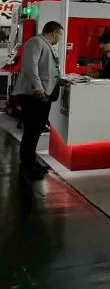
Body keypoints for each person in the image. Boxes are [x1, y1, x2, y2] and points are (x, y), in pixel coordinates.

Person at [13, 21, 63, 180]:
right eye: (60, 34)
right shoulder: (35, 42)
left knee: (36, 129)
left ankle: (31, 162)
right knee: (31, 130)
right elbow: (30, 66)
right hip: (33, 94)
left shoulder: (46, 45)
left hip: (43, 94)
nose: (60, 38)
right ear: (54, 32)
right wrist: (38, 88)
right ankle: (26, 167)